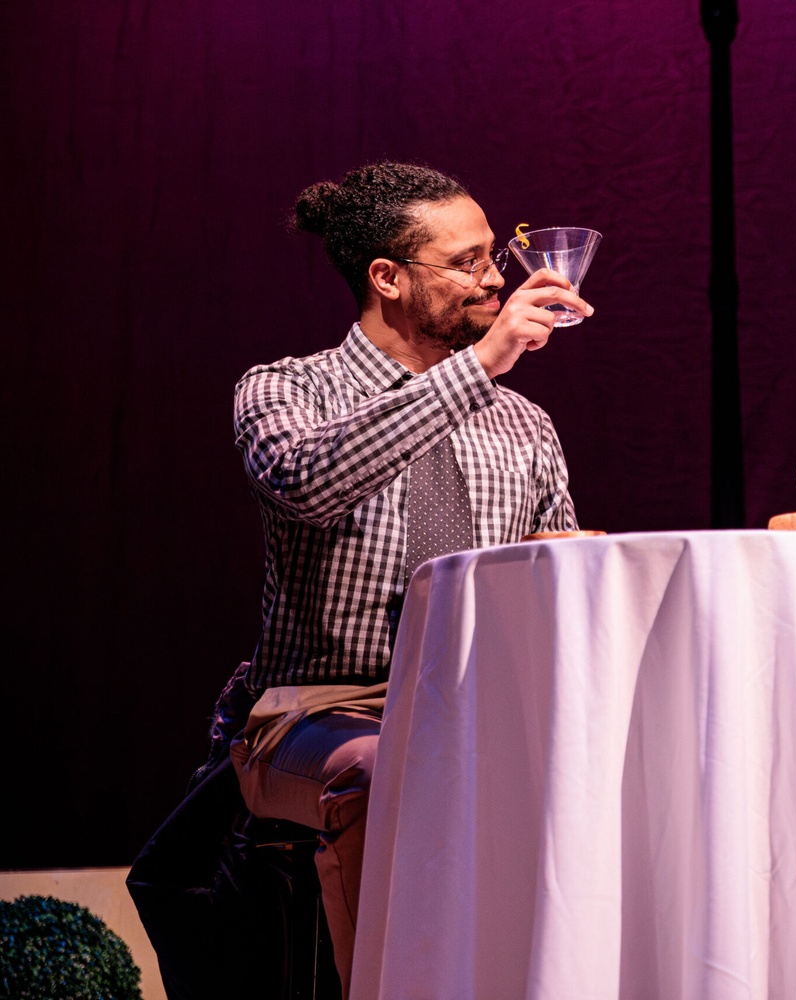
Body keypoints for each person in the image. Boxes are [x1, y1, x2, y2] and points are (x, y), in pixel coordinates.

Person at [130, 161, 590, 999]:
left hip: (475, 705)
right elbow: (309, 483)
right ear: (386, 277)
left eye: (495, 254)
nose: (496, 278)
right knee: (389, 771)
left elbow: (551, 579)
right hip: (310, 714)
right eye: (468, 261)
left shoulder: (524, 423)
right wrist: (478, 366)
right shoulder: (286, 388)